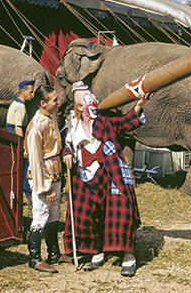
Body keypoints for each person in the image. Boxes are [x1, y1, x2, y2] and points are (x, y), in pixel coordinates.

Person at [62, 81, 151, 277]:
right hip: (84, 175)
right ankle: (96, 251)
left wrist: (138, 106)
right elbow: (67, 144)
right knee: (86, 215)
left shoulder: (104, 121)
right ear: (79, 107)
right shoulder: (73, 126)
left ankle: (128, 256)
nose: (93, 101)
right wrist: (67, 153)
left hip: (110, 173)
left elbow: (124, 123)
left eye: (92, 98)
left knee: (121, 211)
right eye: (87, 100)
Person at [23, 85, 71, 273]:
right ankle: (34, 258)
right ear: (43, 103)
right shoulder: (37, 126)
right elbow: (35, 160)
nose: (58, 103)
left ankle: (54, 254)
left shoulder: (50, 118)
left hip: (55, 171)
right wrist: (46, 187)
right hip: (43, 176)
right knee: (41, 214)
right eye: (54, 100)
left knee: (54, 214)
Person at [6, 80, 35, 201]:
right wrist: (24, 148)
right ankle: (29, 195)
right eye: (30, 92)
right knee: (24, 168)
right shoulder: (20, 106)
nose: (32, 95)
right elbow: (18, 129)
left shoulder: (17, 104)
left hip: (13, 134)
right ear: (22, 91)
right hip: (15, 136)